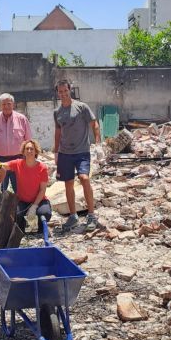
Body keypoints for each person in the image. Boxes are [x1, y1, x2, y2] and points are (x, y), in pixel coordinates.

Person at [53, 79, 102, 231]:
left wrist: (98, 142)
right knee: (68, 183)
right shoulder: (57, 112)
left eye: (65, 91)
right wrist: (55, 151)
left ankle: (91, 215)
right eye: (60, 92)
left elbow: (94, 123)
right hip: (65, 153)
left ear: (70, 90)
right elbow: (58, 131)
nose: (63, 94)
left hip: (82, 151)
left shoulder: (81, 107)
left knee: (84, 178)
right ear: (58, 93)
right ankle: (73, 216)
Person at [2, 140, 52, 232]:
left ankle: (40, 230)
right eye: (27, 149)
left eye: (31, 149)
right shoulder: (17, 163)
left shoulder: (42, 167)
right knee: (16, 215)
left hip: (39, 200)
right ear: (23, 151)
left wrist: (34, 206)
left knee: (44, 213)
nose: (29, 151)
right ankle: (26, 228)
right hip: (22, 201)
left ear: (36, 151)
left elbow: (42, 190)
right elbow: (2, 166)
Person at [0, 93, 32, 191]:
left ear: (13, 104)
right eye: (3, 104)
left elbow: (28, 141)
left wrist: (29, 159)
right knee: (0, 190)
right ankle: (1, 206)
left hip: (18, 159)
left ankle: (20, 207)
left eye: (9, 104)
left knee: (20, 189)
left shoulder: (22, 119)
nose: (6, 106)